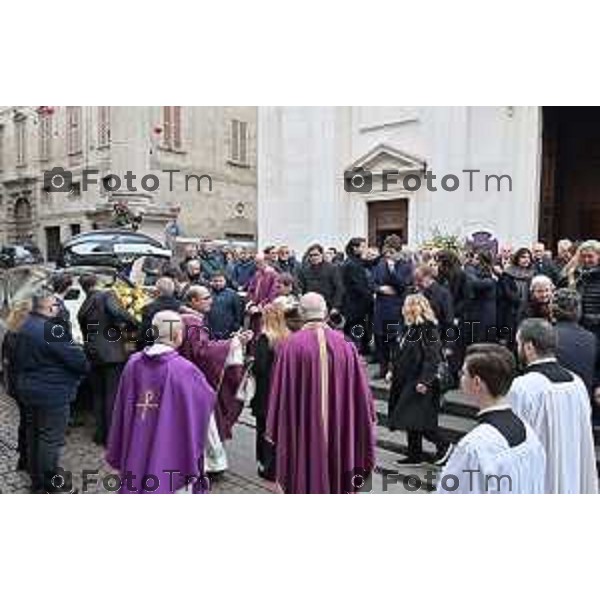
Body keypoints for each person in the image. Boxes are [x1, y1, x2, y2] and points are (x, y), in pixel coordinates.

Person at [266, 293, 376, 493]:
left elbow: (281, 395)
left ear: (301, 313)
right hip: (340, 425)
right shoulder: (346, 345)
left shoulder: (290, 346)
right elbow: (361, 392)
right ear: (325, 312)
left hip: (304, 426)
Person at [107, 311, 215, 493]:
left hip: (136, 441)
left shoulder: (133, 363)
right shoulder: (185, 370)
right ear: (177, 335)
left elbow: (121, 409)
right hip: (170, 447)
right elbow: (205, 402)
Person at [438, 344, 546, 494]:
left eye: (463, 373)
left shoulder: (474, 446)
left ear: (476, 382)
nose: (460, 378)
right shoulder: (529, 433)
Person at [508, 318, 598, 494]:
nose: (516, 349)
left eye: (518, 344)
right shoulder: (577, 383)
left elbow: (513, 445)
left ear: (528, 347)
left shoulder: (522, 387)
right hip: (572, 477)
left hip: (538, 483)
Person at [15, 291, 89, 493]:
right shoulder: (51, 329)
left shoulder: (25, 323)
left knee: (34, 434)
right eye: (57, 306)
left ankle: (36, 477)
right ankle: (48, 484)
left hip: (28, 388)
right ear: (49, 308)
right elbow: (77, 360)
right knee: (49, 439)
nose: (59, 310)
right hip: (51, 393)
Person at [180, 285, 250, 451]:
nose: (211, 301)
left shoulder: (189, 318)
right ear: (193, 301)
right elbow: (202, 351)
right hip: (196, 380)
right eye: (206, 298)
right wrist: (233, 343)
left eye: (210, 297)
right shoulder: (192, 322)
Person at [388, 294, 452, 466]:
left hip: (421, 382)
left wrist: (425, 381)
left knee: (420, 420)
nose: (403, 309)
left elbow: (432, 358)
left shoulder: (428, 328)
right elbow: (401, 354)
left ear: (413, 308)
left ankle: (445, 445)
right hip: (408, 379)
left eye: (406, 306)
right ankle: (414, 454)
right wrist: (392, 371)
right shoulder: (410, 328)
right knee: (411, 418)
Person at [78, 274, 139, 445]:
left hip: (92, 354)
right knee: (112, 394)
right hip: (112, 354)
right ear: (97, 283)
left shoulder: (84, 305)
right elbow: (117, 312)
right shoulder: (106, 295)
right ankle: (113, 437)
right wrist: (135, 323)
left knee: (98, 395)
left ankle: (101, 433)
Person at [251, 300, 291, 481]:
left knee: (264, 429)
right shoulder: (288, 337)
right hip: (284, 390)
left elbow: (259, 367)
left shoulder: (265, 338)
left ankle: (267, 467)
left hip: (266, 392)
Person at [372, 244, 412, 379]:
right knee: (380, 339)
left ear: (398, 252)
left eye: (392, 252)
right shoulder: (380, 264)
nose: (388, 255)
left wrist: (392, 270)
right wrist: (379, 289)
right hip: (381, 307)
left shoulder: (405, 266)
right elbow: (372, 282)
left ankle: (395, 370)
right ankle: (382, 369)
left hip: (395, 308)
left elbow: (402, 285)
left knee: (394, 341)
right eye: (386, 252)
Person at [1, 300, 32, 470]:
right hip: (27, 385)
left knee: (24, 421)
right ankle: (27, 458)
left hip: (16, 386)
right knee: (31, 423)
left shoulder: (10, 333)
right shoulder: (26, 335)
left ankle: (23, 456)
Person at [552, 289, 598, 396]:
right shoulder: (591, 338)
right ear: (578, 310)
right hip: (584, 401)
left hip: (555, 401)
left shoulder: (547, 337)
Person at [341, 237, 375, 356]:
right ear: (355, 248)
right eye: (363, 246)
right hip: (355, 304)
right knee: (355, 329)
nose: (365, 249)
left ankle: (360, 350)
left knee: (358, 328)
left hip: (356, 303)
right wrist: (372, 296)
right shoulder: (352, 264)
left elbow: (369, 263)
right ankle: (354, 353)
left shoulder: (355, 261)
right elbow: (359, 286)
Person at [297, 243, 344, 313]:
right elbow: (301, 287)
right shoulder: (304, 270)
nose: (313, 257)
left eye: (316, 255)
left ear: (322, 255)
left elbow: (339, 288)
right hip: (310, 307)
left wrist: (336, 307)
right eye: (311, 255)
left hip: (327, 306)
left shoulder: (332, 268)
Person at [138, 277, 182, 349]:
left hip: (155, 347)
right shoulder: (181, 307)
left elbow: (144, 334)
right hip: (176, 348)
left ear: (157, 291)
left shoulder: (148, 308)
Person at [464, 250, 497, 344]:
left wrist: (468, 269)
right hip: (479, 310)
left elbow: (477, 284)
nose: (472, 260)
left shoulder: (488, 273)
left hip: (485, 311)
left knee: (482, 339)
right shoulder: (480, 272)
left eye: (475, 258)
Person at [206, 271, 243, 340]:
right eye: (215, 281)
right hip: (210, 329)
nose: (218, 283)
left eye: (221, 281)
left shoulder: (233, 294)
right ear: (211, 282)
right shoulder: (207, 294)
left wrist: (236, 327)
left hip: (228, 330)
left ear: (225, 281)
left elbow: (238, 313)